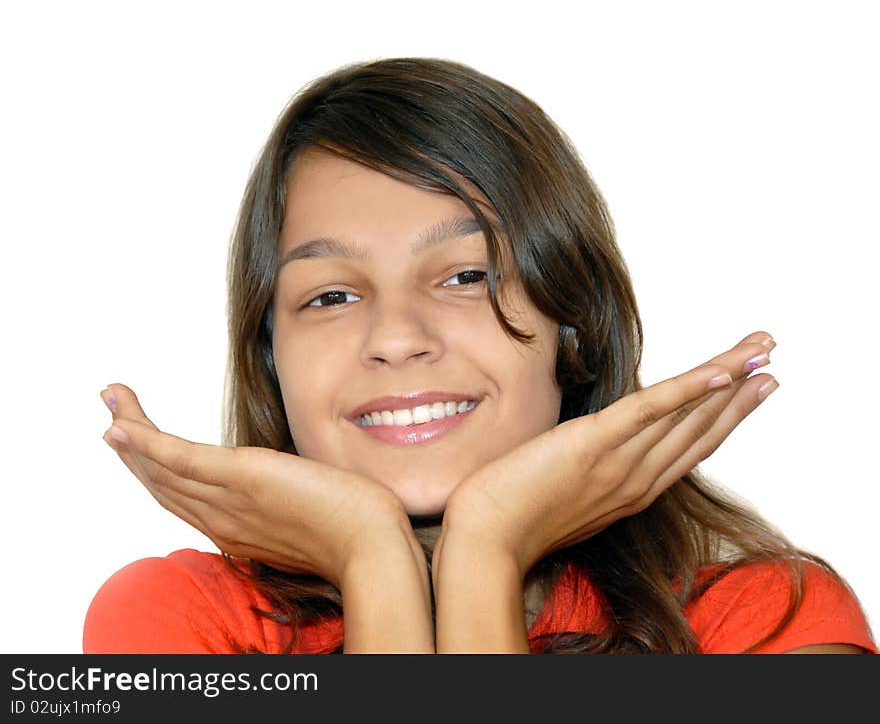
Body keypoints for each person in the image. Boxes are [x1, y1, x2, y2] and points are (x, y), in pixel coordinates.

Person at [83, 57, 876, 654]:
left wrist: (484, 550)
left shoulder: (771, 618)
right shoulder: (179, 621)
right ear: (272, 361)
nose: (396, 338)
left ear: (576, 325)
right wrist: (372, 558)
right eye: (330, 295)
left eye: (466, 276)